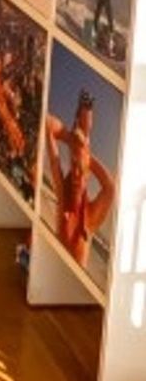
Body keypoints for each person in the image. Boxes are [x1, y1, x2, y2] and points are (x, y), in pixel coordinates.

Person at [46, 89, 116, 268]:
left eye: (81, 171)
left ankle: (84, 110)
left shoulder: (90, 216)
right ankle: (84, 110)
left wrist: (85, 156)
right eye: (73, 166)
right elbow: (48, 124)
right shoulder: (63, 196)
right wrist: (73, 143)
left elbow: (110, 187)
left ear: (88, 175)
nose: (76, 175)